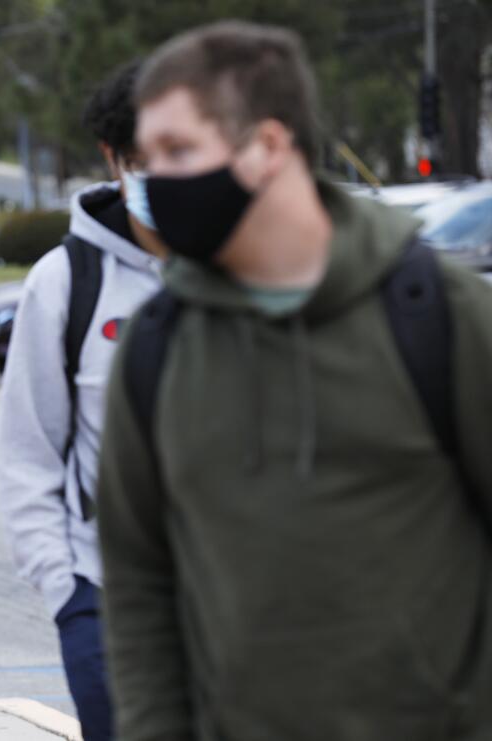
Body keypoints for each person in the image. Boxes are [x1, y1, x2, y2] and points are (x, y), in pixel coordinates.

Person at [97, 21, 492, 741]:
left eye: (179, 151)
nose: (152, 183)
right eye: (145, 158)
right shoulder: (156, 347)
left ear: (269, 147)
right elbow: (138, 588)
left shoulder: (443, 317)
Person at [0, 60, 164, 741]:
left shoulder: (247, 275)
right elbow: (28, 453)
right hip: (105, 602)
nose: (165, 176)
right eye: (144, 159)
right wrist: (68, 596)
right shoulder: (64, 284)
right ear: (113, 158)